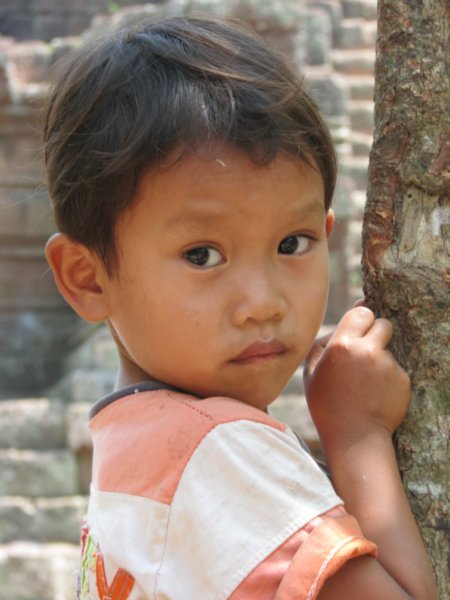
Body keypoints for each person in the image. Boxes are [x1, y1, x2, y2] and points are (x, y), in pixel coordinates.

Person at [43, 15, 436, 600]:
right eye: (202, 255)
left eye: (292, 244)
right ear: (89, 278)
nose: (263, 303)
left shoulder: (132, 448)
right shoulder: (217, 452)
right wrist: (356, 434)